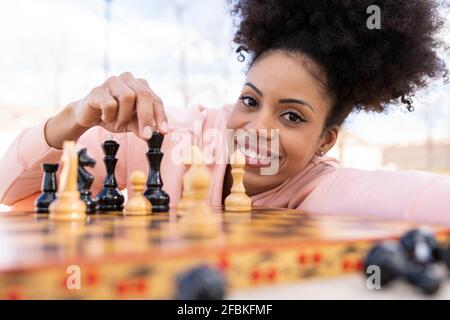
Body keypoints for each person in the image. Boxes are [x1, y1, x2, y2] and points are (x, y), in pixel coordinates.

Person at [0, 0, 449, 225]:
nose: (257, 129)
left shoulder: (317, 185)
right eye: (250, 101)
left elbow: (416, 195)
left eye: (292, 116)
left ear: (326, 141)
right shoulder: (161, 135)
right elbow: (9, 189)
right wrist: (75, 117)